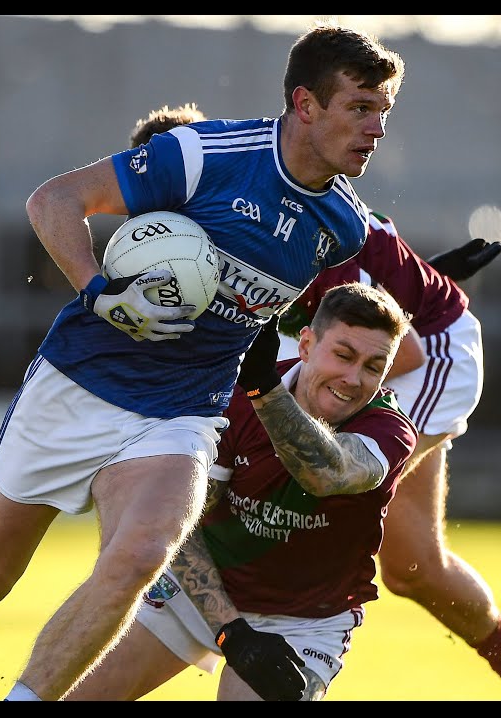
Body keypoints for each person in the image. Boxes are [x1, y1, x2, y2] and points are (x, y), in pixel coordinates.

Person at [0, 23, 405, 702]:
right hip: (80, 383)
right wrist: (98, 291)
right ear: (305, 104)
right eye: (360, 107)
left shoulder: (342, 226)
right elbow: (53, 201)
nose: (376, 128)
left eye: (383, 111)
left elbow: (302, 311)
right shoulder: (205, 156)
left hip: (183, 412)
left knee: (141, 556)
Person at [128, 104, 501, 701]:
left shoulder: (269, 225)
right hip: (374, 341)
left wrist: (418, 295)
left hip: (428, 356)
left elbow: (398, 352)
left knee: (328, 498)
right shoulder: (225, 224)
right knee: (411, 565)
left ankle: (268, 629)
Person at [64, 281, 419, 701]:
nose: (353, 379)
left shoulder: (389, 429)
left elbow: (326, 473)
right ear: (306, 344)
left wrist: (264, 390)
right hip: (201, 589)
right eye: (343, 355)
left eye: (374, 367)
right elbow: (182, 528)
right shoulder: (236, 396)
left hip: (307, 620)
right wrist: (230, 631)